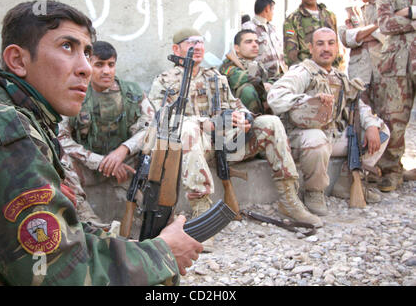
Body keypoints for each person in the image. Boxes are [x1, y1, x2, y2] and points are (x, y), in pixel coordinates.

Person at [0, 0, 202, 286]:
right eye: (67, 46)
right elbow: (60, 274)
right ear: (17, 60)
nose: (86, 68)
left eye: (87, 52)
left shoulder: (17, 112)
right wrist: (162, 253)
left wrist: (128, 243)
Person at [149, 28, 323, 235]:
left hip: (225, 144)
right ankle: (202, 211)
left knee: (271, 122)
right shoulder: (164, 81)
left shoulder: (215, 77)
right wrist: (207, 122)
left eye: (201, 42)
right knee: (187, 128)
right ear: (176, 49)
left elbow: (236, 105)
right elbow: (160, 120)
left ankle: (289, 198)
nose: (197, 47)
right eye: (190, 43)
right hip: (192, 150)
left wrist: (244, 118)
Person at [268, 28, 389, 216]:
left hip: (333, 136)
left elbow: (356, 103)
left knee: (382, 132)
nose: (326, 48)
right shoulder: (303, 72)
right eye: (320, 43)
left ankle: (345, 182)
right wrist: (309, 101)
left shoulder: (339, 76)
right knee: (317, 139)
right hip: (302, 137)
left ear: (337, 48)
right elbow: (275, 96)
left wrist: (371, 124)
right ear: (310, 48)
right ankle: (314, 192)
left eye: (331, 43)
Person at [58, 40, 155, 225]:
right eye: (99, 65)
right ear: (88, 65)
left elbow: (151, 127)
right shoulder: (74, 93)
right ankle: (89, 221)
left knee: (160, 149)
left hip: (125, 165)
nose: (106, 71)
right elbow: (62, 139)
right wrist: (102, 162)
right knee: (59, 160)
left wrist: (123, 151)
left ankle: (157, 214)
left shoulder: (131, 92)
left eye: (111, 65)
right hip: (88, 167)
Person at [376, 0, 416, 190]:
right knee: (393, 118)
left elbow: (395, 21)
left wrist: (408, 12)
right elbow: (385, 24)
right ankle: (391, 171)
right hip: (397, 63)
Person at [339, 0, 384, 115]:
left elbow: (389, 32)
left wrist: (359, 34)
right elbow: (345, 38)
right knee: (360, 116)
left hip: (384, 69)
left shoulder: (386, 4)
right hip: (359, 74)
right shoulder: (349, 10)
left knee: (388, 120)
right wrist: (377, 25)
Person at [283, 0, 342, 68]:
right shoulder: (292, 20)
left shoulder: (330, 16)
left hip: (330, 70)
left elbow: (335, 46)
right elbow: (291, 54)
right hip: (307, 71)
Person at [219, 29, 271, 114]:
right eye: (249, 42)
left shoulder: (257, 65)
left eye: (256, 42)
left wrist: (271, 85)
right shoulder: (228, 65)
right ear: (237, 48)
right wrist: (263, 86)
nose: (255, 45)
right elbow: (247, 79)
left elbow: (271, 78)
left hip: (262, 107)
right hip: (236, 112)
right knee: (247, 90)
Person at [242, 0, 288, 82]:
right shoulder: (248, 28)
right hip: (262, 79)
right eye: (272, 9)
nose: (273, 13)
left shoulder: (272, 28)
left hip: (280, 77)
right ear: (267, 9)